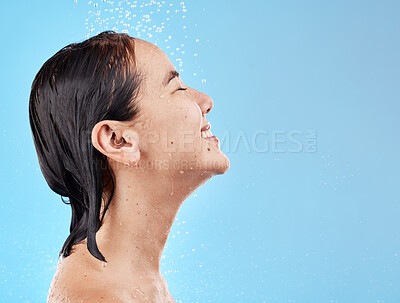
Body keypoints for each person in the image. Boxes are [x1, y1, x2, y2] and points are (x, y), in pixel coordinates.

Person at [29, 31, 230, 302]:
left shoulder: (139, 284)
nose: (206, 101)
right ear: (118, 140)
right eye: (178, 88)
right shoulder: (98, 297)